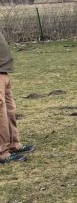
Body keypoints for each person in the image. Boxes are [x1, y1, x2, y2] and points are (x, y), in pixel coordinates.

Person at [0, 30, 33, 165]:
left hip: (3, 71)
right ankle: (2, 152)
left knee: (10, 110)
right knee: (0, 113)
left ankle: (13, 144)